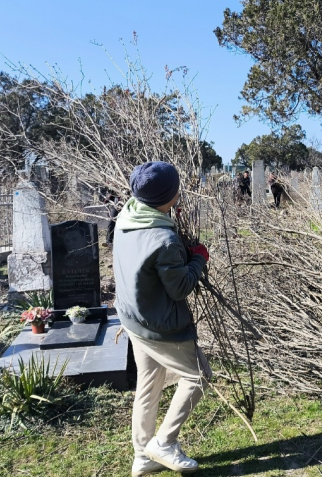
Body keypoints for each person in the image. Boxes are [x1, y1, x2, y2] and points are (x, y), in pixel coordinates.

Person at [113, 161, 210, 476]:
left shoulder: (127, 215)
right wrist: (198, 259)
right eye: (176, 188)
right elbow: (180, 287)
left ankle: (142, 457)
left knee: (149, 382)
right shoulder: (163, 240)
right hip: (160, 324)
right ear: (169, 195)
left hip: (132, 317)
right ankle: (163, 444)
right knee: (198, 376)